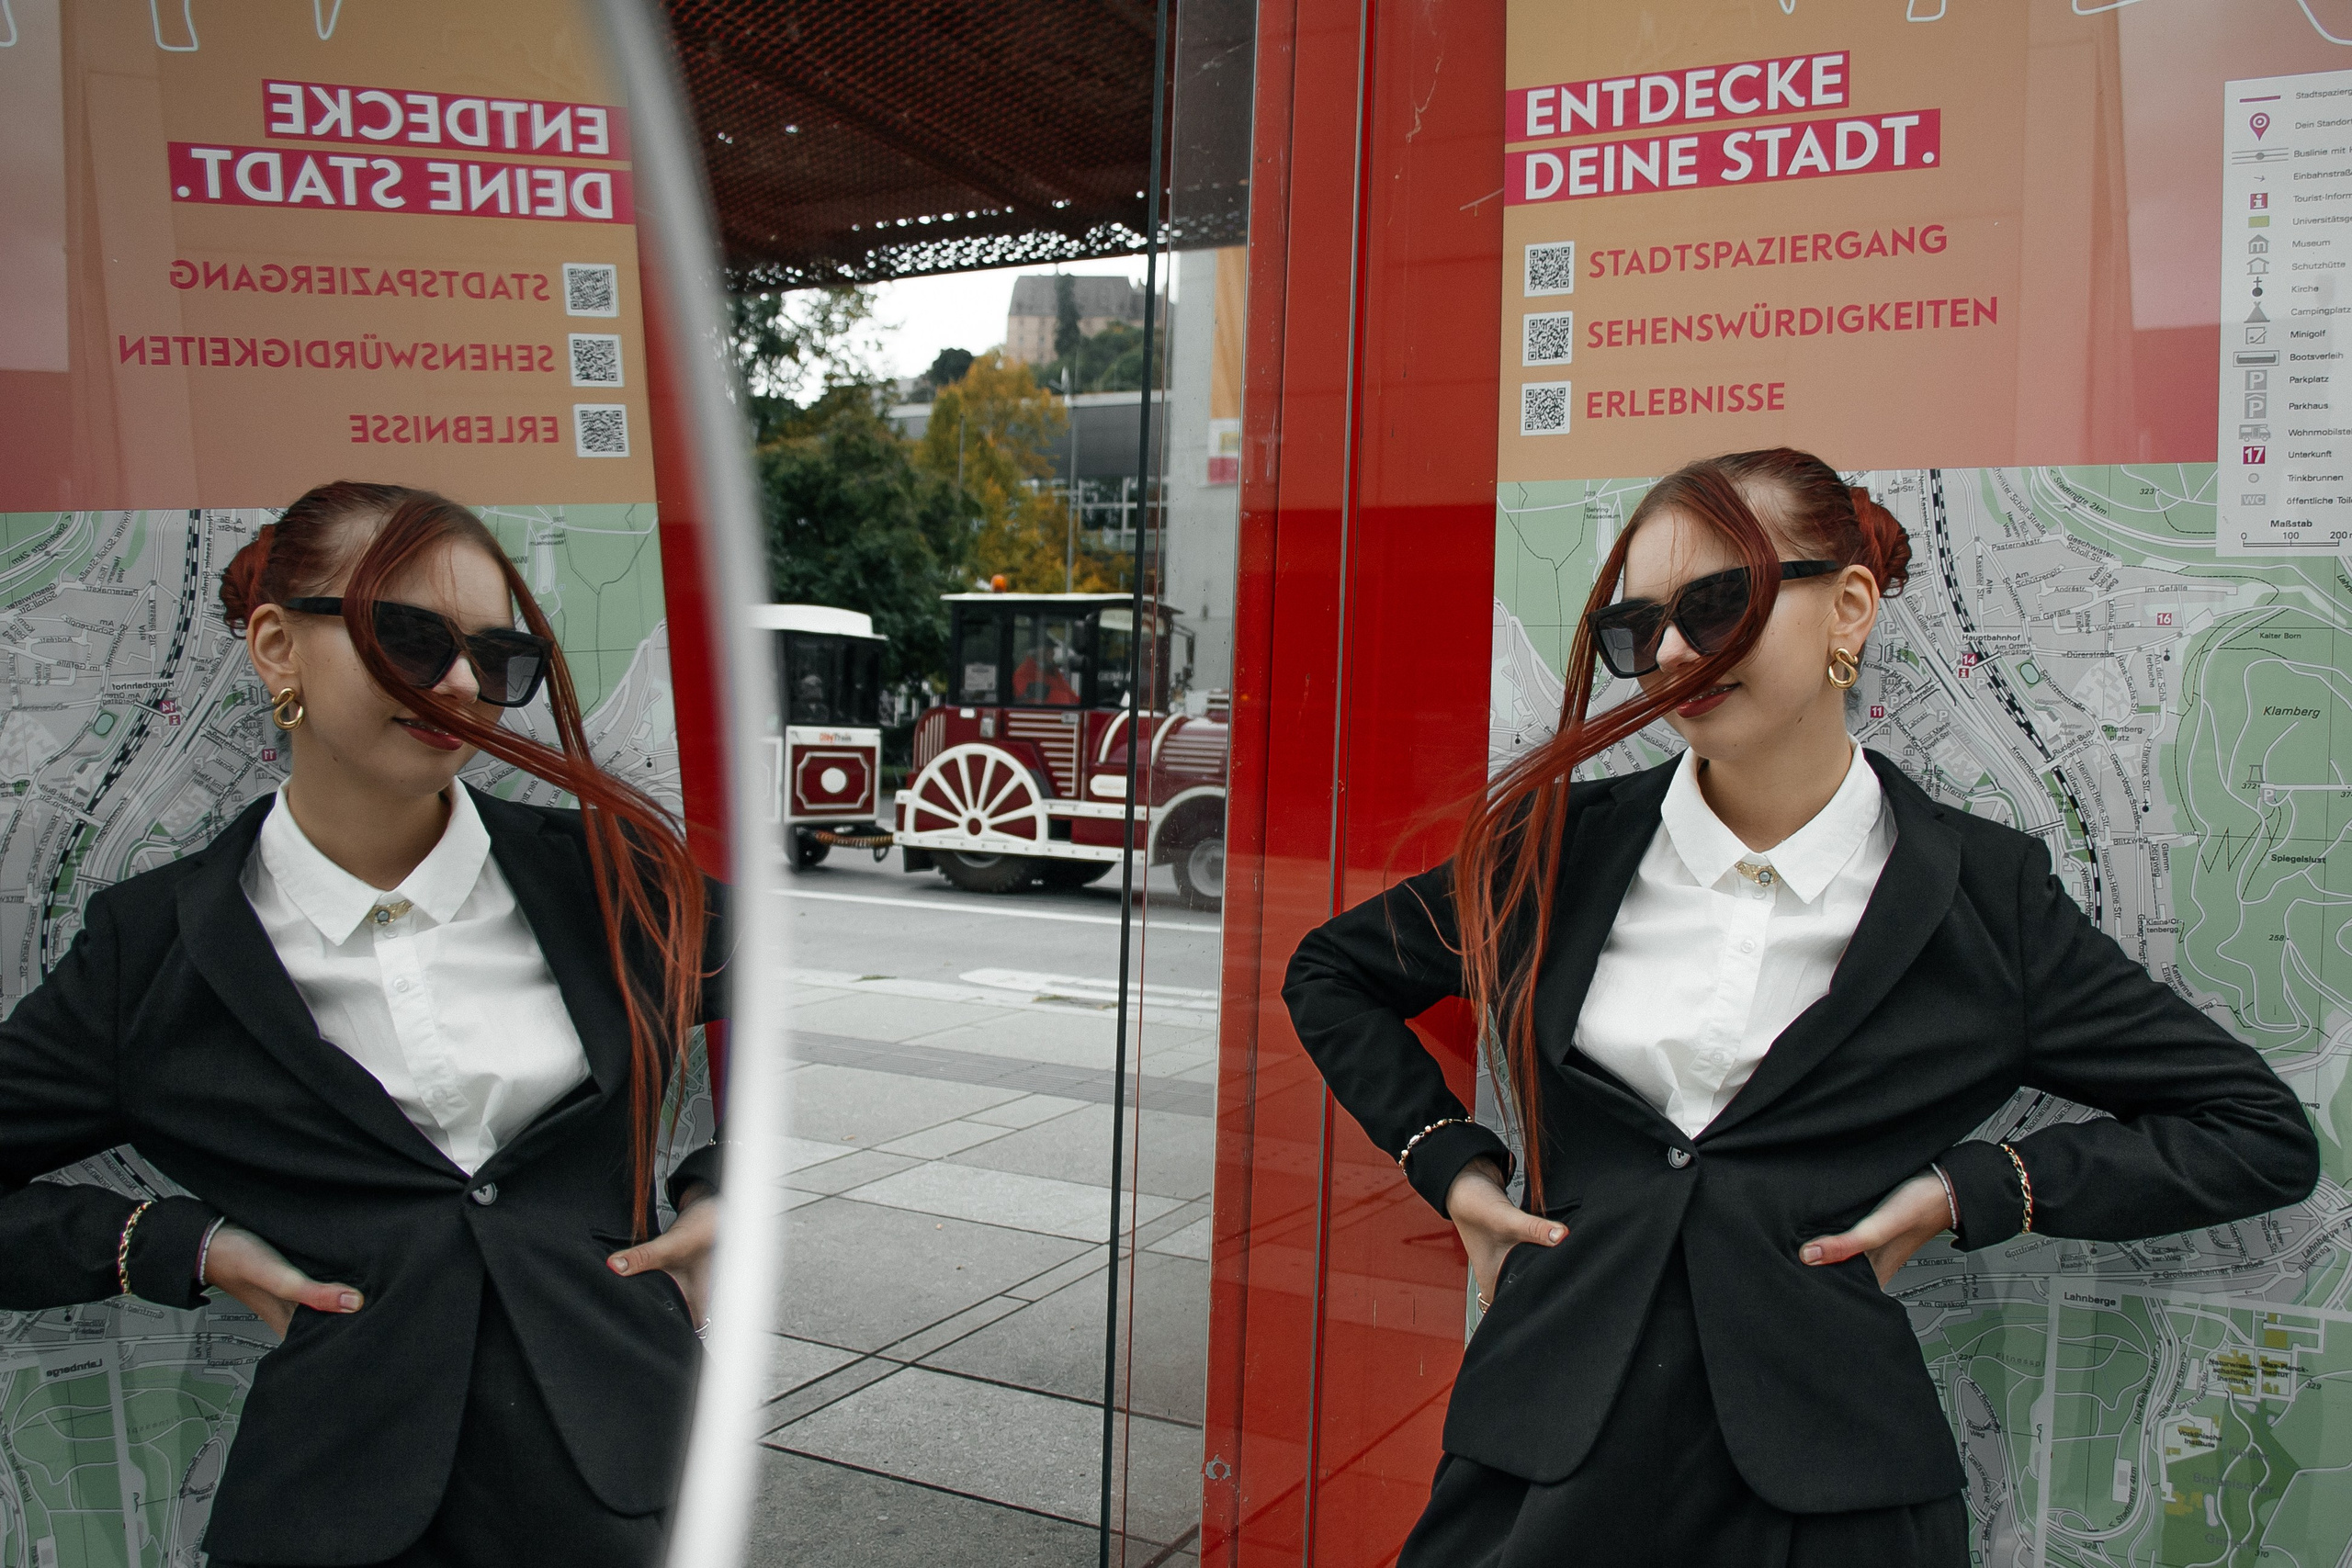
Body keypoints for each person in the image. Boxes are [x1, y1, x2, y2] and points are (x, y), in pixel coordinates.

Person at [1283, 449, 2317, 1567]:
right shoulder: (1556, 851)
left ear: (1850, 608)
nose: (1673, 652)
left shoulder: (1981, 899)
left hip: (1830, 1494)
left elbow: (2253, 1134)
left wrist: (1965, 1191)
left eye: (1718, 602)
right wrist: (1453, 1166)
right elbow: (1332, 975)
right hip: (1541, 1458)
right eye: (1637, 630)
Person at [0, 483, 728, 1568]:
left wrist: (732, 1190)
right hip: (331, 1508)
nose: (462, 684)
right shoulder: (152, 953)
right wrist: (171, 1245)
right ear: (276, 646)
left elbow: (797, 1029)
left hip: (625, 1477)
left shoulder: (615, 880)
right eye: (409, 634)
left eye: (500, 656)